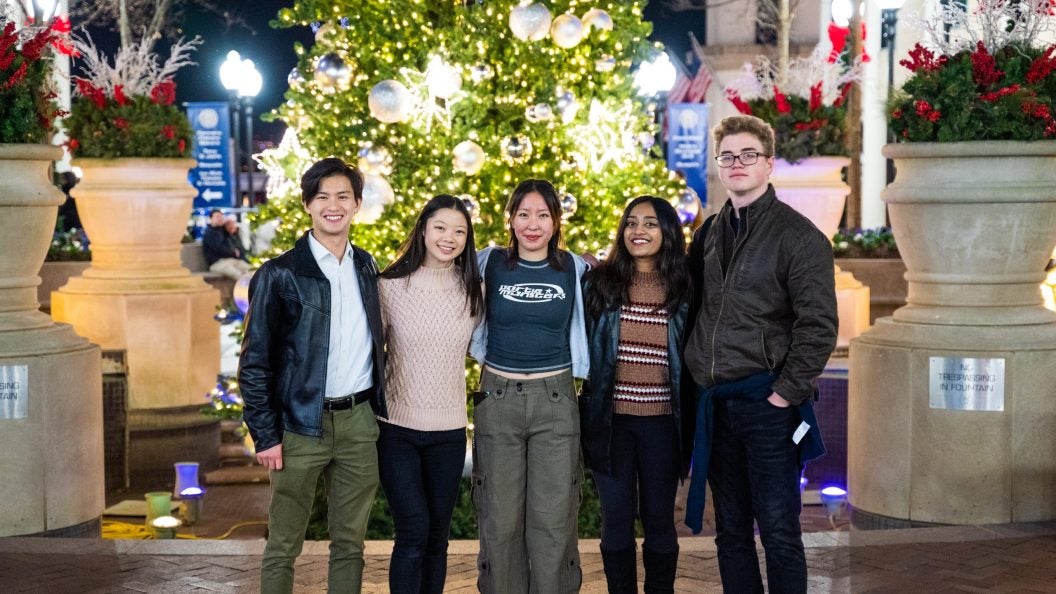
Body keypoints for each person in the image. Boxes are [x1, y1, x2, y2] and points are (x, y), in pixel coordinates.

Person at [683, 115, 838, 594]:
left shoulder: (798, 235)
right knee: (729, 534)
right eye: (727, 156)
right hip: (719, 405)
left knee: (779, 533)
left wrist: (783, 394)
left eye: (748, 154)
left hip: (767, 407)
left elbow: (819, 325)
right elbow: (691, 305)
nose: (737, 164)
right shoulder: (709, 232)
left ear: (769, 163)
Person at [238, 158, 387, 594]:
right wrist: (264, 434)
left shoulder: (366, 266)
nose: (333, 205)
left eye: (343, 196)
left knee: (350, 543)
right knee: (284, 542)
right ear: (308, 205)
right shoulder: (280, 273)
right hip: (300, 425)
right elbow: (255, 362)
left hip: (360, 422)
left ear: (357, 204)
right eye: (322, 197)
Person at [469, 178, 589, 594]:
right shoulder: (487, 263)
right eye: (523, 214)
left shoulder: (575, 268)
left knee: (553, 520)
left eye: (542, 214)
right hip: (497, 398)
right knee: (499, 520)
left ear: (556, 220)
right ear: (510, 218)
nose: (532, 224)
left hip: (555, 401)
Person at [580, 196, 692, 594]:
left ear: (667, 232)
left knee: (660, 519)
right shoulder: (598, 284)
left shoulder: (686, 289)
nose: (638, 231)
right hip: (611, 425)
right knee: (616, 520)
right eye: (631, 223)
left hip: (663, 425)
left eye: (649, 224)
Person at [376, 194, 483, 594]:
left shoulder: (475, 290)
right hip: (396, 430)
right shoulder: (388, 286)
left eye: (459, 231)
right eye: (440, 227)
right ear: (423, 229)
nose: (449, 237)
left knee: (438, 538)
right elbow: (369, 354)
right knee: (413, 531)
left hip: (450, 433)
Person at [202, 209, 251, 280]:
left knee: (253, 270)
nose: (220, 219)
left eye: (221, 217)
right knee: (239, 275)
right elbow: (221, 248)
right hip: (217, 264)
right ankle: (248, 290)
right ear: (211, 219)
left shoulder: (224, 231)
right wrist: (234, 252)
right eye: (217, 217)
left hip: (232, 260)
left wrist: (232, 230)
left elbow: (237, 246)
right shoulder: (209, 233)